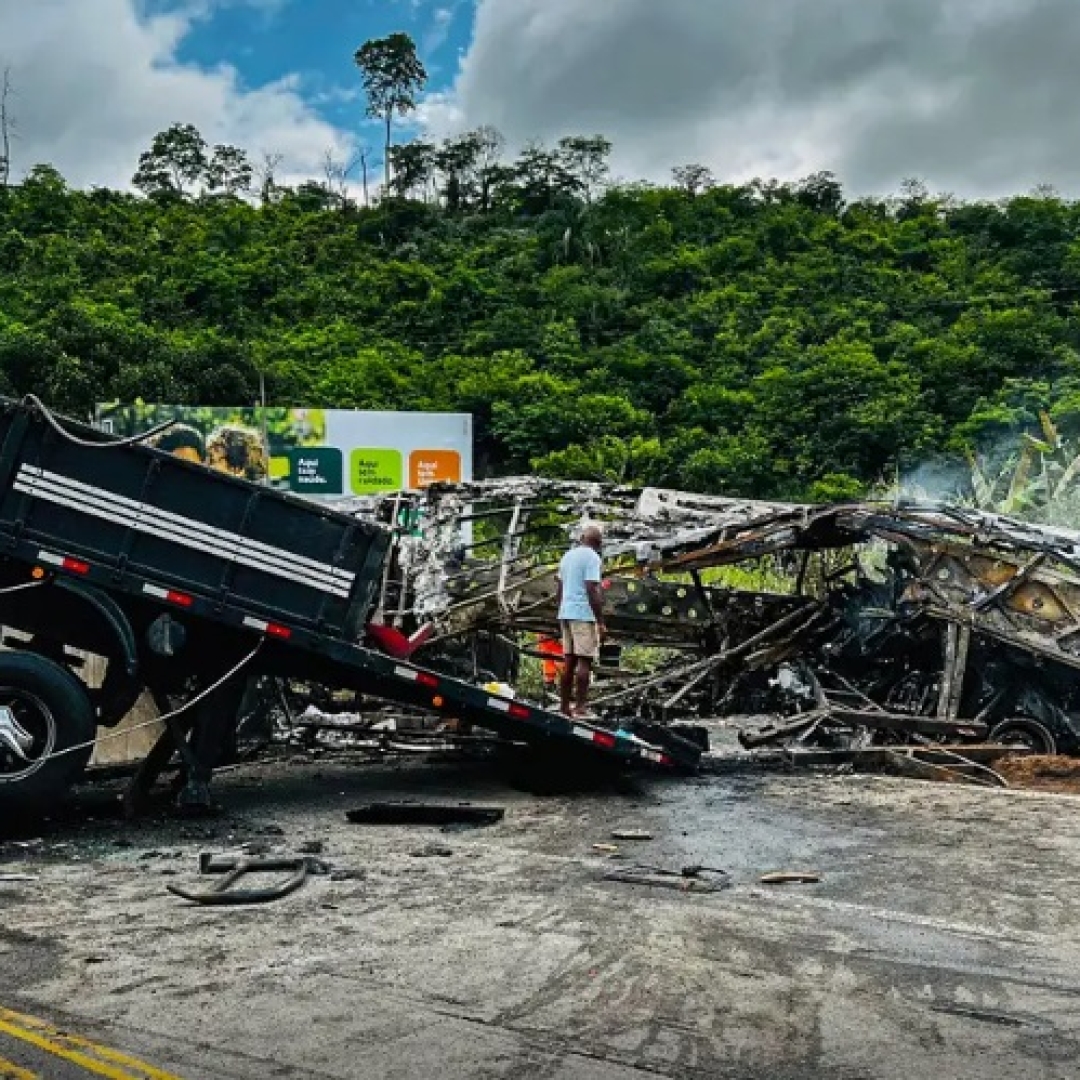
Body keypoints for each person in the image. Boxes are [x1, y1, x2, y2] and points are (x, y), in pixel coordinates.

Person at [555, 525, 606, 718]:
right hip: (583, 613)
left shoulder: (567, 556)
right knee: (585, 662)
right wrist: (600, 621)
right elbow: (591, 589)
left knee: (569, 662)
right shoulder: (592, 558)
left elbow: (559, 588)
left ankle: (564, 707)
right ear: (598, 543)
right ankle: (581, 707)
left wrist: (561, 610)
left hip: (566, 613)